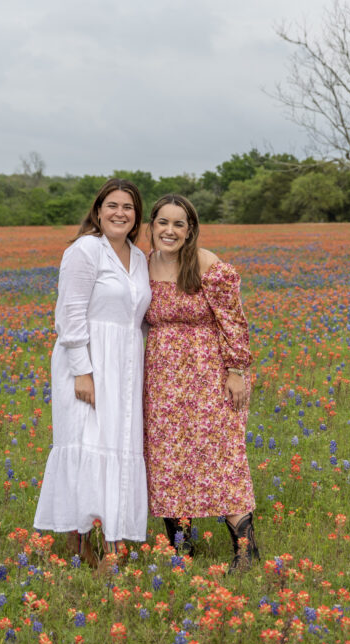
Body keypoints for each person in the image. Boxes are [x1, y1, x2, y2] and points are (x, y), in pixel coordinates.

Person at [33, 178, 152, 567]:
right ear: (98, 211)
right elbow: (69, 315)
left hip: (125, 365)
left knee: (118, 445)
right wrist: (82, 372)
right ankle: (80, 546)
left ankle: (113, 544)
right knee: (85, 444)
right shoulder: (85, 250)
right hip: (89, 361)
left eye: (128, 207)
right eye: (112, 205)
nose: (120, 213)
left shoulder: (138, 257)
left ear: (136, 217)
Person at [141, 193, 259, 570]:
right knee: (167, 459)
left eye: (179, 224)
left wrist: (237, 371)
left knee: (222, 457)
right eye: (163, 222)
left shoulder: (208, 264)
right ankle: (182, 546)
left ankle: (244, 549)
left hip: (209, 374)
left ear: (190, 230)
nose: (170, 230)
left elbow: (234, 322)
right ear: (152, 226)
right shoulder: (142, 266)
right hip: (161, 378)